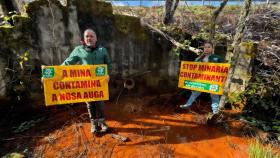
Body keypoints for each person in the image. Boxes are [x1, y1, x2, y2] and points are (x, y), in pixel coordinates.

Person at [62, 29, 112, 134]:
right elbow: (67, 63)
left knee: (100, 103)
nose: (89, 38)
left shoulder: (102, 50)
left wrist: (107, 74)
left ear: (96, 38)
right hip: (86, 84)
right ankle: (94, 123)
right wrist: (51, 75)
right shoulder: (78, 50)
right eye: (86, 36)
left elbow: (108, 64)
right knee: (90, 104)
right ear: (84, 39)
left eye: (91, 36)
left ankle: (102, 122)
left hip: (100, 83)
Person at [180, 41, 222, 114]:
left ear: (212, 48)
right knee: (195, 92)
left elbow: (223, 69)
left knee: (214, 95)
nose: (207, 49)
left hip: (213, 80)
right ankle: (188, 104)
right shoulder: (198, 59)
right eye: (205, 47)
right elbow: (193, 69)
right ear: (203, 48)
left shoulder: (217, 58)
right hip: (200, 80)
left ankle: (215, 111)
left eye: (209, 47)